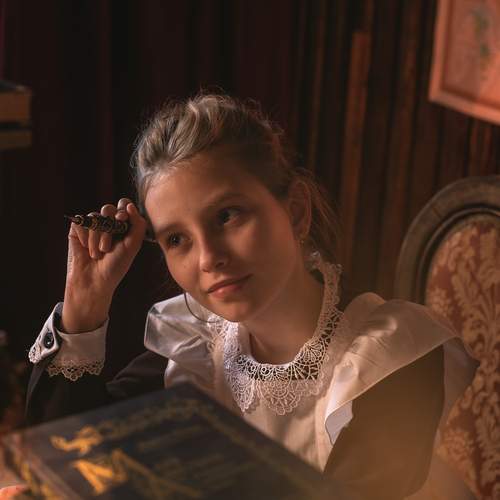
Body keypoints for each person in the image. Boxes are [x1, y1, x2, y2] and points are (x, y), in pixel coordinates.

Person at [26, 94, 471, 499]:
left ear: (296, 211)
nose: (209, 258)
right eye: (177, 239)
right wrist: (85, 304)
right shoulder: (196, 348)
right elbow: (70, 457)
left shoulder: (389, 359)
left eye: (227, 216)